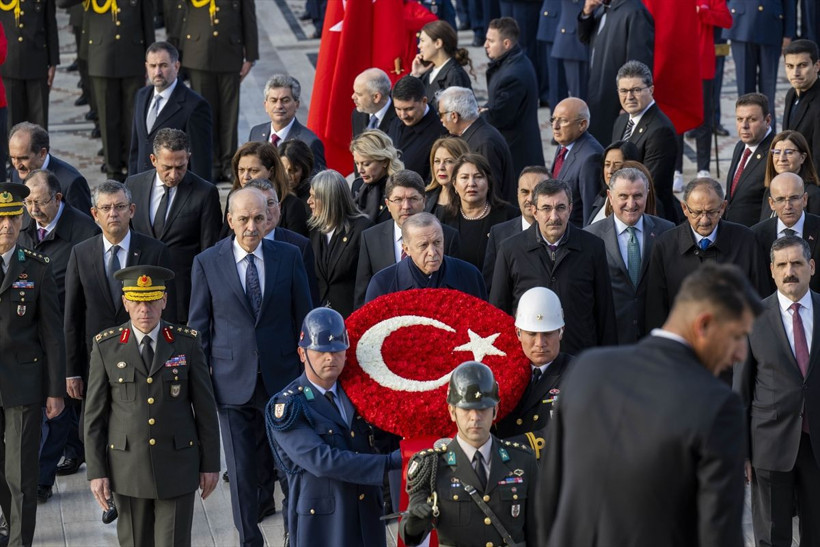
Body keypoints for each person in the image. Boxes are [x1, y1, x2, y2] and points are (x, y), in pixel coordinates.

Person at [537, 263, 761, 546]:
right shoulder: (718, 405)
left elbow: (548, 495)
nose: (742, 353)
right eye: (738, 336)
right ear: (704, 325)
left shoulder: (586, 368)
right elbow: (719, 534)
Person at [188, 186, 312, 547]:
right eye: (243, 219)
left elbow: (303, 318)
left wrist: (306, 374)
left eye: (259, 218)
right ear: (230, 220)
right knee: (241, 472)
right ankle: (249, 540)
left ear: (269, 217)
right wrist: (202, 382)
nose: (251, 226)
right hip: (231, 384)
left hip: (283, 380)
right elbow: (199, 327)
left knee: (289, 465)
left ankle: (296, 534)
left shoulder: (289, 256)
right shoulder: (207, 262)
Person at [84, 266, 220, 546]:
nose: (144, 309)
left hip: (177, 465)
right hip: (128, 469)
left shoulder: (186, 343)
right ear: (125, 302)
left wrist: (210, 464)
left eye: (151, 300)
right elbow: (94, 417)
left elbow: (205, 410)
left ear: (164, 301)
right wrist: (97, 471)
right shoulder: (106, 347)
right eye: (136, 300)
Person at [63, 181, 175, 482]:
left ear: (132, 210)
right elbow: (72, 317)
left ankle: (136, 482)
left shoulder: (154, 251)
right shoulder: (81, 253)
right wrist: (72, 370)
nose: (113, 213)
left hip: (145, 360)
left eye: (120, 207)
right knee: (97, 428)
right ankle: (108, 488)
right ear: (94, 214)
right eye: (106, 208)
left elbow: (171, 312)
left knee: (140, 427)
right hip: (97, 361)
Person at [266, 308, 402, 547]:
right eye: (321, 351)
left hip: (368, 517)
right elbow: (322, 460)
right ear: (302, 353)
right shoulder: (289, 406)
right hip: (325, 527)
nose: (330, 357)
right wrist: (390, 463)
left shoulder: (359, 393)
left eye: (337, 350)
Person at [17, 171, 98, 503]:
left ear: (59, 199)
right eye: (29, 202)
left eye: (41, 202)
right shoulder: (21, 226)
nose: (34, 209)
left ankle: (42, 477)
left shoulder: (83, 233)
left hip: (66, 333)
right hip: (26, 334)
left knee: (58, 406)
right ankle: (60, 457)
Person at [735, 235, 820, 547]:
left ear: (811, 266)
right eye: (782, 265)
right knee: (772, 536)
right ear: (771, 271)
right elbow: (741, 391)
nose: (790, 272)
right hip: (769, 443)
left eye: (797, 263)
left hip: (817, 444)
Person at [399, 361, 538, 546]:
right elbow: (410, 535)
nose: (475, 417)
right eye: (466, 409)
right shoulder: (432, 465)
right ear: (452, 411)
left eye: (482, 409)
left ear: (495, 410)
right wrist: (414, 524)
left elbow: (538, 529)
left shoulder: (523, 460)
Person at [0, 182, 65, 546]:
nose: (6, 225)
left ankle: (21, 540)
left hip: (24, 381)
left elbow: (52, 334)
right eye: (0, 219)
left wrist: (55, 391)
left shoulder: (36, 268)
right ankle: (10, 524)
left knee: (22, 471)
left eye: (12, 217)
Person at [490, 179, 617, 355]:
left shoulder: (593, 248)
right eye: (546, 208)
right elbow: (498, 312)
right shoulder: (510, 250)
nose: (554, 217)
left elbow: (605, 312)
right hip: (528, 361)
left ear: (570, 208)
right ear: (534, 211)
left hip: (579, 360)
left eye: (560, 208)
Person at [646, 177, 770, 331]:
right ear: (684, 208)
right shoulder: (665, 245)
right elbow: (656, 310)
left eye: (711, 212)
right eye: (696, 212)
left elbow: (761, 300)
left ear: (723, 207)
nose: (704, 220)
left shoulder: (746, 240)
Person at [125, 128, 223, 323]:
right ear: (153, 160)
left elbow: (209, 250)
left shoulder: (205, 193)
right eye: (167, 167)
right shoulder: (133, 185)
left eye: (180, 167)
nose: (173, 174)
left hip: (182, 294)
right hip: (139, 292)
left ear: (188, 158)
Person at [585, 167, 675, 344]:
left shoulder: (667, 231)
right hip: (611, 342)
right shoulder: (591, 237)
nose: (631, 204)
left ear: (647, 194)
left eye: (637, 196)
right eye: (623, 196)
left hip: (655, 341)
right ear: (610, 197)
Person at [355, 170, 461, 308]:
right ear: (387, 203)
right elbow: (362, 295)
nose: (406, 207)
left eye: (413, 199)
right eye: (398, 200)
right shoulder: (371, 238)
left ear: (424, 201)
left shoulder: (448, 236)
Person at [180, 0, 258, 182]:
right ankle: (211, 164)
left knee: (229, 114)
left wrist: (251, 56)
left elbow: (248, 17)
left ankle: (229, 164)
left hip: (230, 53)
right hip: (198, 54)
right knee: (204, 115)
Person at [494, 287, 572, 459]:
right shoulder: (500, 370)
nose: (540, 343)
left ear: (561, 332)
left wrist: (503, 447)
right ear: (518, 333)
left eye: (547, 334)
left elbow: (569, 432)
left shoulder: (577, 374)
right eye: (532, 334)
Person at [83, 0, 155, 181]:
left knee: (134, 118)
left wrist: (150, 60)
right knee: (108, 119)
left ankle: (133, 167)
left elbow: (146, 20)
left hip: (132, 55)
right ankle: (113, 169)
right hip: (102, 58)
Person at [129, 41, 213, 179]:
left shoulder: (195, 105)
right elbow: (136, 148)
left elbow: (200, 161)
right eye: (153, 66)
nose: (157, 72)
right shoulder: (141, 96)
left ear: (176, 66)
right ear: (146, 67)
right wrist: (132, 184)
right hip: (143, 187)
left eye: (163, 65)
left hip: (176, 188)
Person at [611, 60, 679, 223]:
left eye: (636, 90)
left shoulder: (661, 131)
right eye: (624, 90)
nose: (629, 97)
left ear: (651, 90)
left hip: (649, 218)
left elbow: (649, 184)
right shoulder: (621, 121)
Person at [577, 0, 654, 145]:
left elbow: (639, 63)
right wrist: (587, 11)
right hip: (597, 95)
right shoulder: (603, 8)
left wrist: (629, 103)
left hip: (618, 104)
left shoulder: (635, 12)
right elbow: (584, 37)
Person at [365, 212, 485, 301]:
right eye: (423, 245)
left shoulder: (469, 275)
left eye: (437, 243)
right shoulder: (383, 284)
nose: (432, 252)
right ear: (406, 249)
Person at [482, 17, 544, 177]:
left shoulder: (513, 75)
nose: (485, 45)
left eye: (491, 41)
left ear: (507, 44)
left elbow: (499, 116)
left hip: (517, 153)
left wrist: (478, 114)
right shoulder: (512, 62)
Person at [308, 170, 374, 318]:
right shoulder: (315, 229)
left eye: (314, 197)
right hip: (320, 318)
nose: (309, 201)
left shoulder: (362, 229)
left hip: (351, 316)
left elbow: (364, 280)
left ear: (329, 199)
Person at [244, 178, 319, 307]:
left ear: (279, 208)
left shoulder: (299, 246)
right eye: (258, 204)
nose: (265, 210)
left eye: (270, 203)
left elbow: (308, 302)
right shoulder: (226, 250)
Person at [439, 153, 519, 271]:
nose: (471, 183)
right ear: (455, 184)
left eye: (478, 177)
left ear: (489, 183)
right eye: (464, 177)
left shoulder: (510, 216)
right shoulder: (443, 217)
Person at [437, 86, 516, 202]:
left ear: (454, 116)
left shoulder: (483, 143)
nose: (441, 120)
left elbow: (491, 191)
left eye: (441, 114)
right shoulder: (478, 134)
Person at [725, 0, 794, 128]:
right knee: (745, 91)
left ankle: (768, 134)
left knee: (768, 90)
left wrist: (788, 33)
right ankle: (747, 136)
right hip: (741, 24)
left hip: (771, 24)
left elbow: (789, 3)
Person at [752, 172, 820, 294]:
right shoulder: (755, 236)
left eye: (794, 198)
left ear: (804, 199)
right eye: (781, 199)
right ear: (771, 203)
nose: (788, 206)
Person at [484, 166, 549, 290]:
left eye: (536, 192)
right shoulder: (498, 234)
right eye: (525, 192)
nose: (530, 199)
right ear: (517, 194)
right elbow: (490, 287)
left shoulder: (563, 233)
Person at [228, 141, 310, 237]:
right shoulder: (234, 197)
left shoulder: (291, 205)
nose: (245, 176)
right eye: (241, 170)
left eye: (254, 171)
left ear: (271, 171)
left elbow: (297, 244)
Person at [9, 122, 92, 216]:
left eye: (23, 158)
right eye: (13, 158)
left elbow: (84, 226)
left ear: (42, 153)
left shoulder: (71, 183)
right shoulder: (16, 174)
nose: (17, 165)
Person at [248, 74, 326, 171]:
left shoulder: (309, 142)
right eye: (273, 100)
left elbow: (317, 183)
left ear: (297, 105)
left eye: (285, 100)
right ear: (266, 105)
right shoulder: (256, 133)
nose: (279, 106)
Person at [0, 0, 57, 129]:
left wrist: (53, 62)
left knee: (39, 126)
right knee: (12, 127)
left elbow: (50, 24)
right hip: (9, 65)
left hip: (37, 62)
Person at [550, 97, 603, 226]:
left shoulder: (591, 157)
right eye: (553, 119)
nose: (555, 126)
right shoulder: (565, 142)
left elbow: (590, 211)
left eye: (563, 121)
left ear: (582, 125)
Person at [724, 93, 775, 227]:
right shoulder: (740, 146)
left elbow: (771, 207)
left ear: (767, 120)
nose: (744, 126)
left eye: (751, 119)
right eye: (739, 119)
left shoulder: (775, 154)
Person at [387, 76, 447, 183]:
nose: (403, 115)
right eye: (398, 109)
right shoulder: (394, 122)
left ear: (424, 101)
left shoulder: (441, 132)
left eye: (409, 109)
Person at [411, 20, 473, 110]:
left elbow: (458, 115)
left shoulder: (454, 75)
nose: (419, 46)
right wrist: (416, 75)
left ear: (438, 43)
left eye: (422, 41)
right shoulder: (428, 71)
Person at [760, 130, 820, 221]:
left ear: (802, 157)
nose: (781, 158)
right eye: (777, 152)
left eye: (789, 152)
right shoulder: (770, 190)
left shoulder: (814, 194)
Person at [350, 130, 405, 224]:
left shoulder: (399, 189)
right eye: (357, 163)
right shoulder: (357, 186)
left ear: (384, 161)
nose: (360, 170)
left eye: (366, 164)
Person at [783, 39, 820, 175]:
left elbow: (818, 158)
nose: (795, 73)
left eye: (802, 65)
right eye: (790, 66)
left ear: (817, 66)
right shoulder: (791, 94)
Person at [587, 140, 640, 224]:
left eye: (617, 165)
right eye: (607, 164)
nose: (610, 170)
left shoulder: (642, 203)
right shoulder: (601, 198)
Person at [424, 136, 470, 216]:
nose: (441, 167)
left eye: (448, 161)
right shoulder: (425, 197)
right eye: (437, 161)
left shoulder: (470, 200)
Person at [351, 68, 397, 138]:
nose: (353, 96)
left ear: (376, 97)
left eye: (359, 94)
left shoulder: (401, 117)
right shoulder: (358, 114)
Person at [278, 139, 314, 203]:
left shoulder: (312, 200)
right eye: (282, 170)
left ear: (304, 171)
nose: (287, 176)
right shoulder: (270, 195)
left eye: (293, 170)